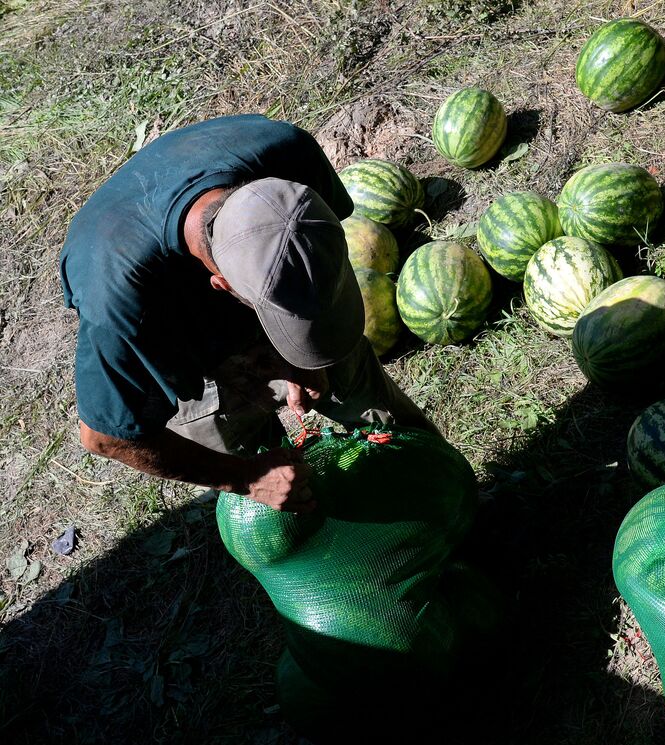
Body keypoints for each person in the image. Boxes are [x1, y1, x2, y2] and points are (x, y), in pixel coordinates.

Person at [59, 114, 434, 513]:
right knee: (274, 494)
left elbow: (310, 269)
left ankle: (441, 493)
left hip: (224, 285)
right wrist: (246, 477)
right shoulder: (120, 302)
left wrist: (304, 352)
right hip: (182, 346)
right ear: (222, 286)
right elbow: (105, 438)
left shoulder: (286, 152)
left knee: (372, 399)